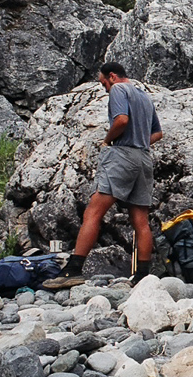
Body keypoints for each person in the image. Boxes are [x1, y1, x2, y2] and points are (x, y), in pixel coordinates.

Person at [65, 62, 162, 283]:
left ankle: (73, 270)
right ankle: (143, 276)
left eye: (104, 84)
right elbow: (158, 133)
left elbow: (121, 120)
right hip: (143, 158)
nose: (105, 89)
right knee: (141, 221)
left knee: (93, 212)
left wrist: (107, 140)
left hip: (122, 155)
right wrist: (139, 142)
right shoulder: (145, 97)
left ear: (112, 76)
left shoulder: (119, 89)